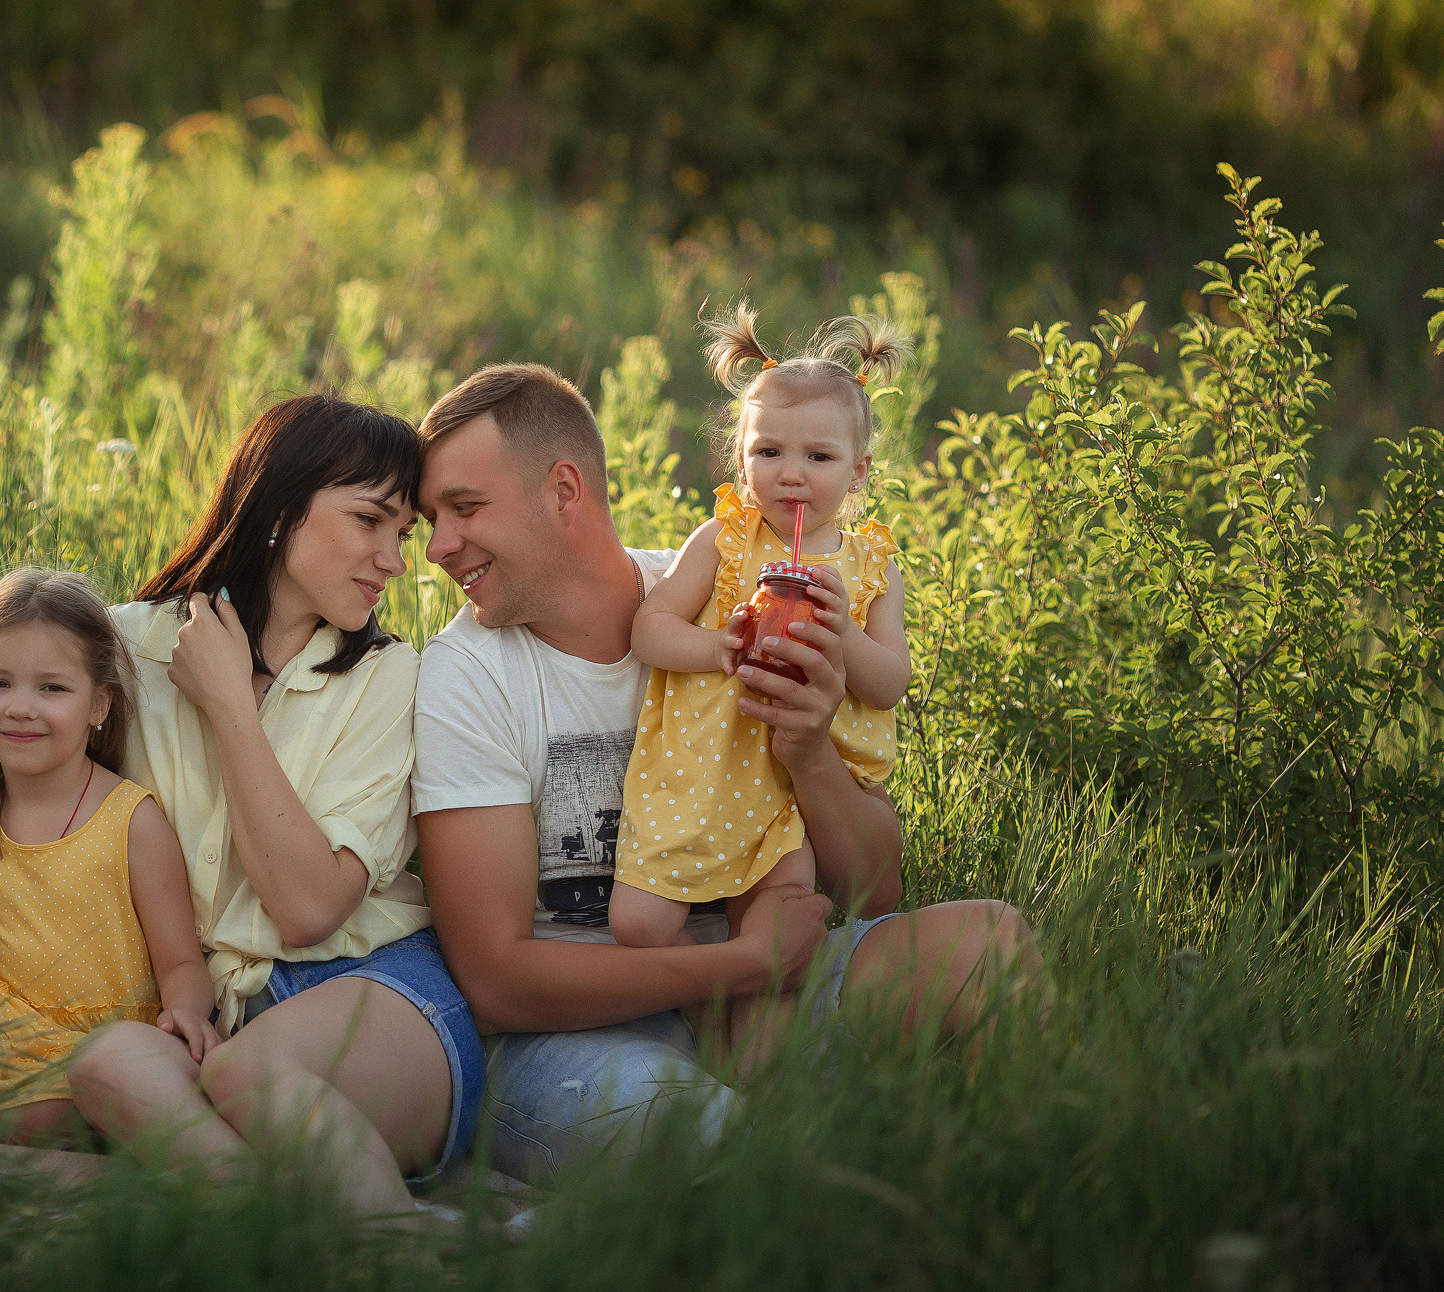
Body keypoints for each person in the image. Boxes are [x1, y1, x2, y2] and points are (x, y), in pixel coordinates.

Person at [410, 360, 1039, 1186]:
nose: (436, 546)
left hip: (768, 988)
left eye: (463, 509)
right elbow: (496, 984)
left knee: (993, 945)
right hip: (580, 1033)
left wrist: (809, 751)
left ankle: (1030, 1194)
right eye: (432, 517)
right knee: (738, 1155)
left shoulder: (738, 592)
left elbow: (872, 891)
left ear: (564, 490)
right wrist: (741, 965)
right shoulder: (468, 677)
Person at [64, 394, 483, 1226]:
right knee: (107, 1061)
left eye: (401, 533)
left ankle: (395, 1252)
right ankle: (275, 1222)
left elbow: (307, 907)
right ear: (280, 504)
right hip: (207, 1014)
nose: (394, 559)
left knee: (245, 1076)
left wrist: (228, 706)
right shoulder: (124, 649)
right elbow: (26, 806)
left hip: (372, 988)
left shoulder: (390, 679)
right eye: (371, 520)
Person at [610, 310, 915, 1063]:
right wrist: (721, 646)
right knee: (638, 922)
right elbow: (650, 628)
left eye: (818, 454)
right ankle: (695, 1002)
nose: (791, 472)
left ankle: (751, 1050)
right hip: (709, 770)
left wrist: (842, 629)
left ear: (859, 471)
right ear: (740, 460)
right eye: (768, 450)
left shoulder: (871, 567)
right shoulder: (725, 539)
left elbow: (888, 685)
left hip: (794, 793)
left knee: (779, 928)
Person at [0, 567, 218, 1145]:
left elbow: (180, 963)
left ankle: (77, 1124)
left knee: (48, 1108)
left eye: (52, 688)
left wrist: (188, 1015)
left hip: (96, 1041)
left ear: (99, 704)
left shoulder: (130, 819)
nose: (21, 707)